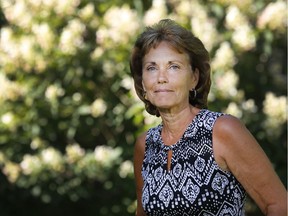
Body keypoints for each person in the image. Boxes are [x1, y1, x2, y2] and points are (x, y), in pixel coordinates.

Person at [129, 19, 287, 216]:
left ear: (194, 78)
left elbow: (279, 206)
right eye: (151, 68)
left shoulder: (222, 130)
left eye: (174, 66)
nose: (161, 77)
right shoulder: (145, 146)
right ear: (143, 82)